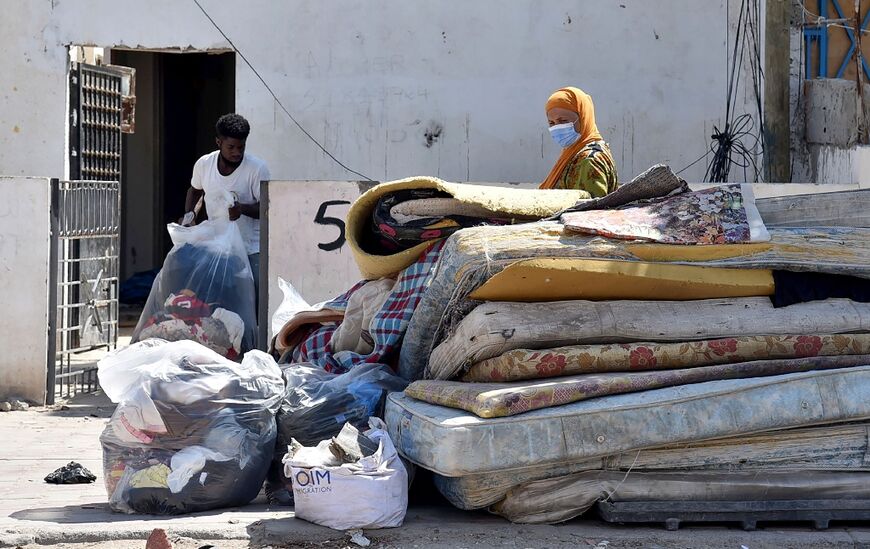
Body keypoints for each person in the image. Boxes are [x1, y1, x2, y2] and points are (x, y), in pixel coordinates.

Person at [183, 113, 270, 302]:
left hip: (251, 248)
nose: (237, 152)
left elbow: (267, 207)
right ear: (218, 142)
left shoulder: (257, 168)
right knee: (217, 298)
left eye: (241, 147)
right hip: (218, 246)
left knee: (256, 298)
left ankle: (254, 332)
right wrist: (189, 217)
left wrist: (242, 210)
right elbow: (195, 190)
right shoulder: (204, 164)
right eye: (231, 147)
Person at [540, 86, 618, 196]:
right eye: (551, 123)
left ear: (583, 118)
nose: (557, 127)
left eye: (563, 121)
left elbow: (589, 209)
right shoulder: (574, 152)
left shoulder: (589, 160)